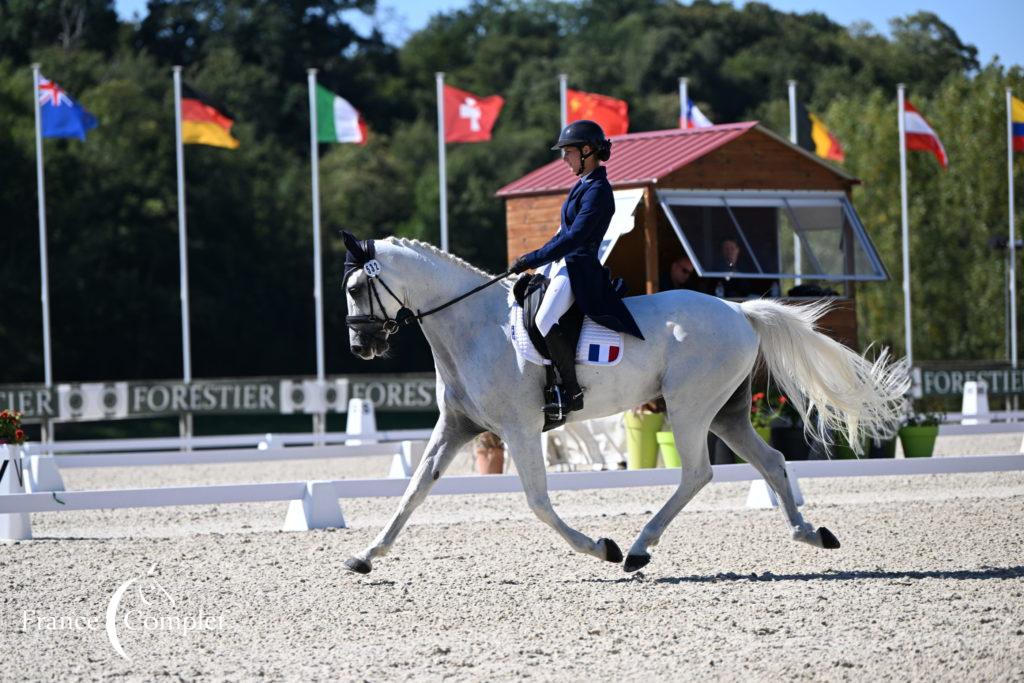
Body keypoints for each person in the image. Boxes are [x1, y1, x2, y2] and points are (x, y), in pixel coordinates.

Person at [510, 120, 645, 416]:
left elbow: (575, 238)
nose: (563, 158)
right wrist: (531, 259)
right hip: (563, 264)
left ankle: (570, 391)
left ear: (587, 151)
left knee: (545, 318)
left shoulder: (598, 190)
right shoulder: (581, 186)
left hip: (579, 270)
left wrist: (533, 259)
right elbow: (561, 233)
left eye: (568, 152)